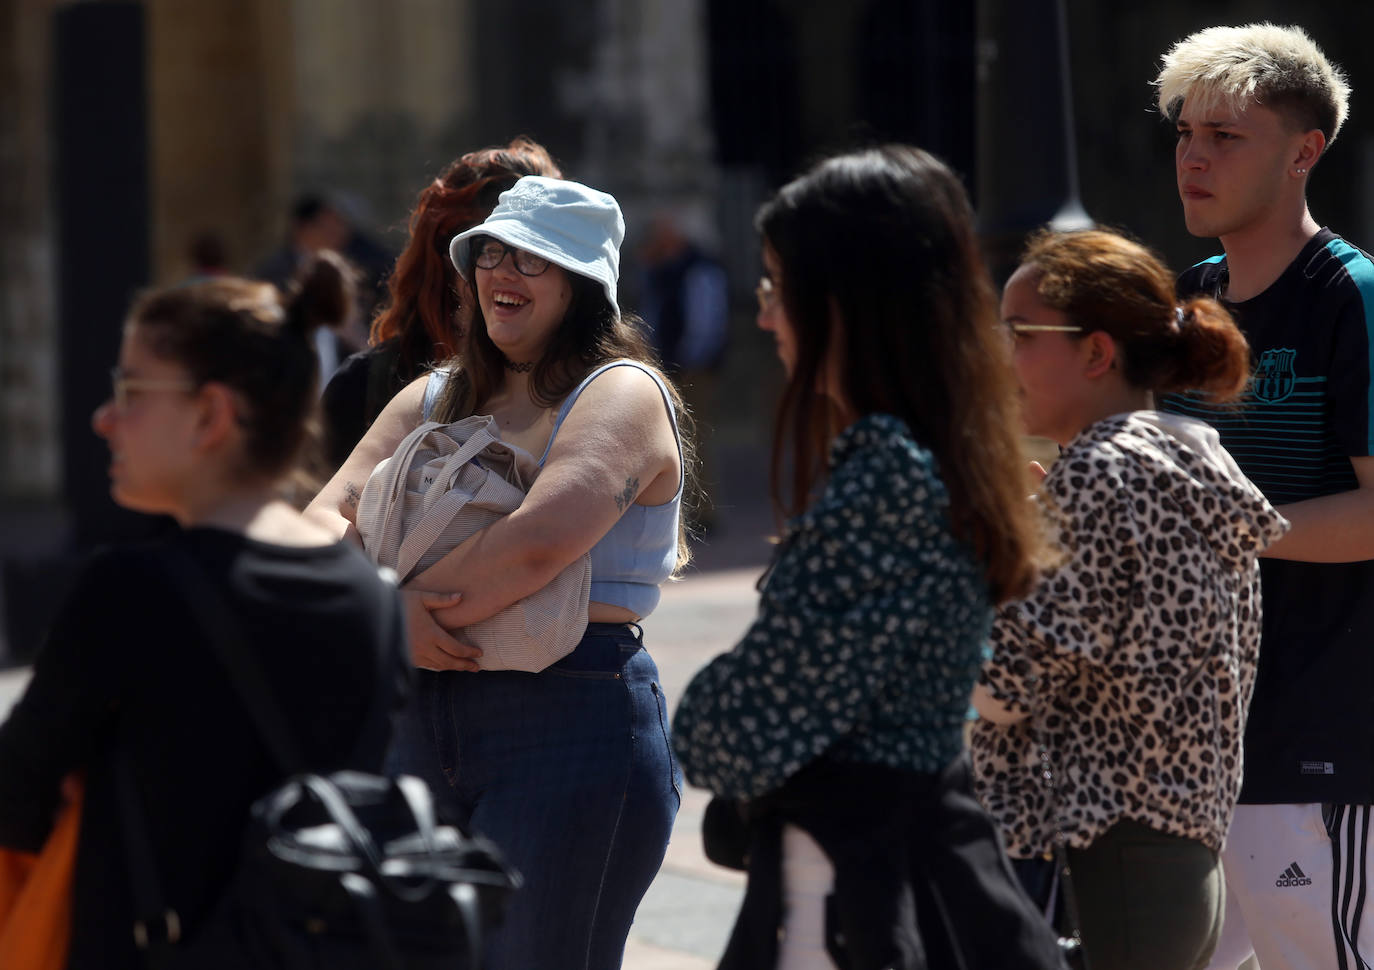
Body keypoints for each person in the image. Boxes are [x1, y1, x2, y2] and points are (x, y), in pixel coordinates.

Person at [670, 146, 1066, 970]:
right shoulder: (934, 449)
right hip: (900, 870)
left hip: (869, 892)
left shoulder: (888, 469)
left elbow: (726, 733)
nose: (766, 315)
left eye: (779, 286)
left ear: (844, 303)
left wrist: (710, 707)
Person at [305, 175, 692, 970]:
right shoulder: (435, 393)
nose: (503, 274)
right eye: (492, 254)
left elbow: (536, 543)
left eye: (534, 261)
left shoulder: (621, 391)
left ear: (583, 286)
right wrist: (384, 610)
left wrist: (392, 612)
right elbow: (316, 524)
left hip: (569, 716)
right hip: (419, 715)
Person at [0, 255, 409, 969]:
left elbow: (16, 789)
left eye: (131, 391)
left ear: (212, 414)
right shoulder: (373, 600)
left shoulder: (131, 590)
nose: (104, 420)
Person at [970, 228, 1288, 970]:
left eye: (1018, 334)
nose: (997, 357)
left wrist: (986, 569)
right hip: (1176, 855)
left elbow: (1000, 688)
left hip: (1114, 851)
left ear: (1095, 352)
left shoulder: (1105, 473)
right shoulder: (1187, 456)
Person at [1152, 24, 1374, 970]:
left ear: (1303, 153)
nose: (1193, 156)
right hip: (1191, 744)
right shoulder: (1187, 300)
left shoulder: (1350, 293)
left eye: (1226, 136)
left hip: (1320, 733)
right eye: (1185, 133)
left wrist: (1207, 526)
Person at [320, 137, 562, 471]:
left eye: (539, 256)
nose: (510, 273)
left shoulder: (595, 390)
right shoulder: (366, 387)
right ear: (447, 260)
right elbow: (324, 514)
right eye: (489, 251)